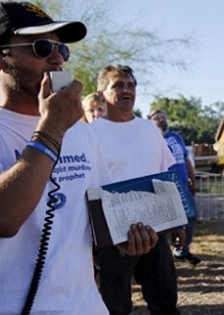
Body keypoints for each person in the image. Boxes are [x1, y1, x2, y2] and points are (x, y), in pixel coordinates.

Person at [0, 2, 156, 314]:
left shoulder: (79, 130)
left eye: (62, 48)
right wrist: (52, 128)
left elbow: (101, 212)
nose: (58, 59)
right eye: (41, 47)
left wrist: (126, 237)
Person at [89, 65, 181, 315]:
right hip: (114, 239)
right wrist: (106, 241)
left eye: (130, 85)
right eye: (118, 85)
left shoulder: (149, 130)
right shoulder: (89, 134)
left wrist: (178, 223)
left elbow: (167, 177)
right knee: (115, 306)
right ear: (101, 92)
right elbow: (88, 189)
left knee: (165, 300)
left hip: (155, 231)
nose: (126, 90)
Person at [148, 109, 201, 266]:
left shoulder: (176, 137)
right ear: (150, 121)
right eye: (157, 118)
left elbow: (186, 160)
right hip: (161, 188)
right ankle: (163, 257)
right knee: (165, 224)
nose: (162, 119)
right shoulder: (148, 139)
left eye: (164, 117)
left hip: (182, 187)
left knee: (190, 217)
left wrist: (192, 180)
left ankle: (181, 250)